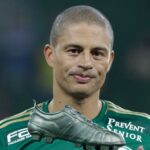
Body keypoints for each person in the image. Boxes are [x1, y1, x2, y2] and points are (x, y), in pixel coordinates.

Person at [0, 5, 150, 150]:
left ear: (110, 61)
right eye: (74, 51)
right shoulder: (6, 136)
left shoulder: (145, 130)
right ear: (50, 55)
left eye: (97, 53)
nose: (86, 63)